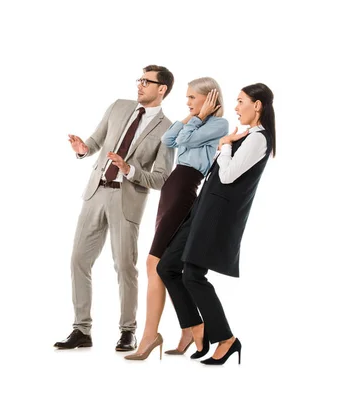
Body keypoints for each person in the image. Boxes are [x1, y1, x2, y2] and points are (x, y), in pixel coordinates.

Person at [54, 65, 175, 352]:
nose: (140, 85)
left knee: (124, 266)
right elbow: (95, 142)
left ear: (162, 89)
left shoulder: (169, 129)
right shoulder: (119, 106)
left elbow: (161, 178)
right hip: (96, 192)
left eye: (148, 81)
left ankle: (127, 330)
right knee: (78, 261)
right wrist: (83, 149)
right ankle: (81, 329)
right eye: (140, 79)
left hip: (127, 198)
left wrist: (129, 169)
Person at [156, 83, 276, 365]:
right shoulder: (246, 135)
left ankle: (227, 339)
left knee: (193, 275)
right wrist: (229, 144)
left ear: (257, 106)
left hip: (216, 216)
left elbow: (231, 174)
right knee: (167, 266)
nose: (236, 107)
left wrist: (224, 146)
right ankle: (196, 326)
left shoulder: (259, 138)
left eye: (241, 101)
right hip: (202, 208)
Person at [125, 77, 228, 360]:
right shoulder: (197, 119)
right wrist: (191, 115)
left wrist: (198, 118)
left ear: (209, 99)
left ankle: (151, 336)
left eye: (192, 98)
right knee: (163, 264)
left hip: (185, 188)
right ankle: (189, 327)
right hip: (173, 186)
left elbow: (182, 139)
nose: (187, 102)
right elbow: (167, 139)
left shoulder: (219, 125)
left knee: (154, 262)